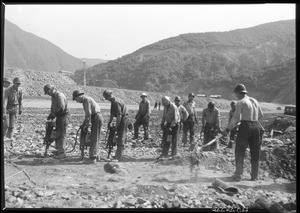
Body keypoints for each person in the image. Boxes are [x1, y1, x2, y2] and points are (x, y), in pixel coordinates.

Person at [222, 84, 264, 182]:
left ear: (238, 93)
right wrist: (252, 120)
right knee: (255, 152)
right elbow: (261, 115)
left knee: (240, 151)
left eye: (235, 93)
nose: (235, 96)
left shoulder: (241, 102)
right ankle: (254, 176)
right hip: (256, 126)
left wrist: (227, 129)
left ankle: (238, 175)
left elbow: (236, 118)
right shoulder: (255, 101)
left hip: (245, 127)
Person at [73, 90, 103, 164]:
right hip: (96, 117)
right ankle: (96, 154)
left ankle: (93, 157)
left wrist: (86, 124)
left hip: (96, 117)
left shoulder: (86, 100)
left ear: (79, 96)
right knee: (95, 137)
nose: (76, 101)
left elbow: (88, 113)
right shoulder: (86, 100)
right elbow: (88, 114)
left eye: (76, 99)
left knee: (94, 137)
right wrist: (84, 123)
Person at [103, 89, 129, 161]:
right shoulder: (113, 102)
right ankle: (116, 154)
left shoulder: (116, 102)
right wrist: (109, 122)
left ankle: (119, 156)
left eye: (106, 98)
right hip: (121, 118)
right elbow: (112, 114)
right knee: (115, 136)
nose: (106, 99)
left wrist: (116, 126)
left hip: (123, 119)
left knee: (121, 136)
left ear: (109, 96)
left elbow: (119, 115)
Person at [44, 84, 69, 159]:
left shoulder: (59, 96)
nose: (48, 94)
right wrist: (51, 115)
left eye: (48, 92)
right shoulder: (53, 97)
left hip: (63, 116)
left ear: (52, 89)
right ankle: (59, 150)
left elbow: (61, 108)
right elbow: (53, 108)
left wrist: (54, 114)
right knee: (57, 133)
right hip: (58, 116)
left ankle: (62, 153)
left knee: (61, 134)